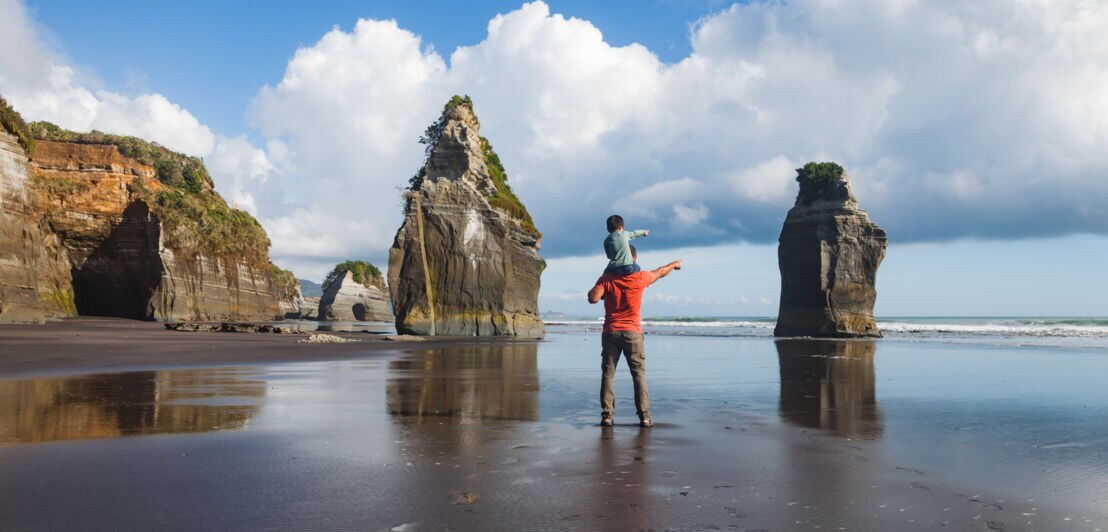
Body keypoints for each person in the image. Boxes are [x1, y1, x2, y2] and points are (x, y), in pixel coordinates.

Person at [588, 245, 682, 427]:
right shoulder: (640, 277)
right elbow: (661, 272)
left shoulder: (607, 278)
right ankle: (644, 417)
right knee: (638, 375)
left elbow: (592, 297)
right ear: (635, 258)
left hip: (611, 331)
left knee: (608, 375)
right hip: (633, 333)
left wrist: (604, 277)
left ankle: (607, 416)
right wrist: (674, 264)